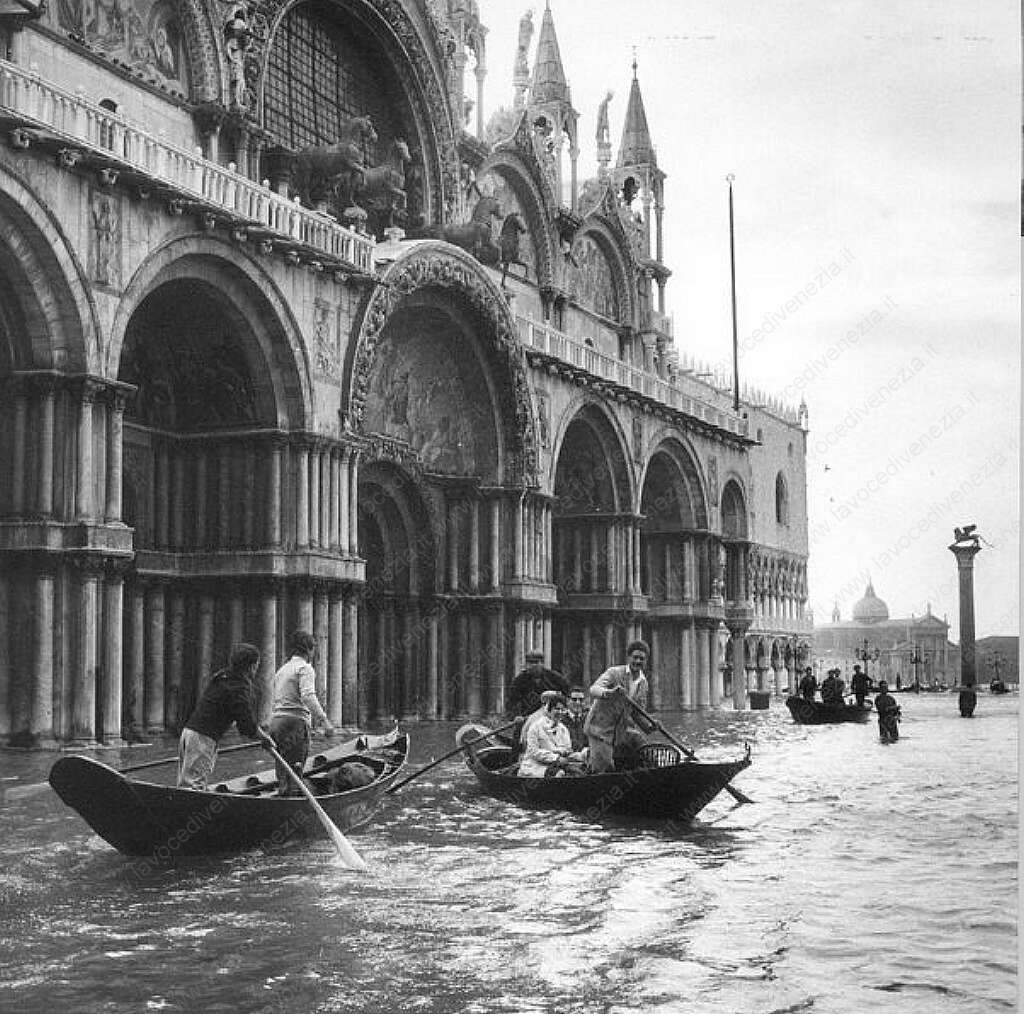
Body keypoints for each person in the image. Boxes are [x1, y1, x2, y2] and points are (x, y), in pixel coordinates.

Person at [177, 643, 262, 789]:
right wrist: (263, 737)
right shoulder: (238, 687)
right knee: (194, 786)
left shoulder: (223, 676)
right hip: (202, 738)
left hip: (189, 733)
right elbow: (246, 724)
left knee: (186, 784)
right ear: (251, 666)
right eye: (256, 665)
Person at [267, 630, 335, 796]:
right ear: (309, 650)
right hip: (294, 723)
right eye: (313, 649)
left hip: (276, 723)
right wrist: (324, 721)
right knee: (296, 768)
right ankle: (292, 802)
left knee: (283, 768)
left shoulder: (282, 669)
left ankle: (283, 795)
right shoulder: (305, 668)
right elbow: (308, 696)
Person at [583, 640, 651, 773]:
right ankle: (590, 762)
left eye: (641, 659)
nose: (637, 661)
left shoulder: (643, 684)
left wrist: (650, 726)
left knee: (641, 745)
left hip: (618, 733)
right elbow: (593, 690)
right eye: (635, 657)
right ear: (628, 658)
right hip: (599, 730)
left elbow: (637, 714)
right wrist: (610, 693)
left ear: (646, 661)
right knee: (605, 769)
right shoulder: (614, 673)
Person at [519, 691, 587, 778]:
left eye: (562, 710)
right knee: (559, 774)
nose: (560, 712)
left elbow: (567, 749)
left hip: (556, 765)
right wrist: (556, 757)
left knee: (579, 773)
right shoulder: (536, 726)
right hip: (536, 766)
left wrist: (579, 755)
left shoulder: (563, 729)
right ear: (549, 710)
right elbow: (533, 751)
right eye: (557, 709)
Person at [508, 650, 569, 718]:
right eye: (530, 663)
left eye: (536, 662)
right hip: (527, 718)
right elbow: (512, 703)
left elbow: (567, 695)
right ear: (526, 664)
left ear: (542, 663)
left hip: (551, 717)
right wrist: (516, 716)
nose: (533, 665)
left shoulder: (555, 678)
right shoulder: (519, 681)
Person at [561, 685, 589, 751]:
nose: (578, 702)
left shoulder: (588, 720)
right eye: (574, 699)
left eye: (581, 700)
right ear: (567, 701)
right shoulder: (560, 720)